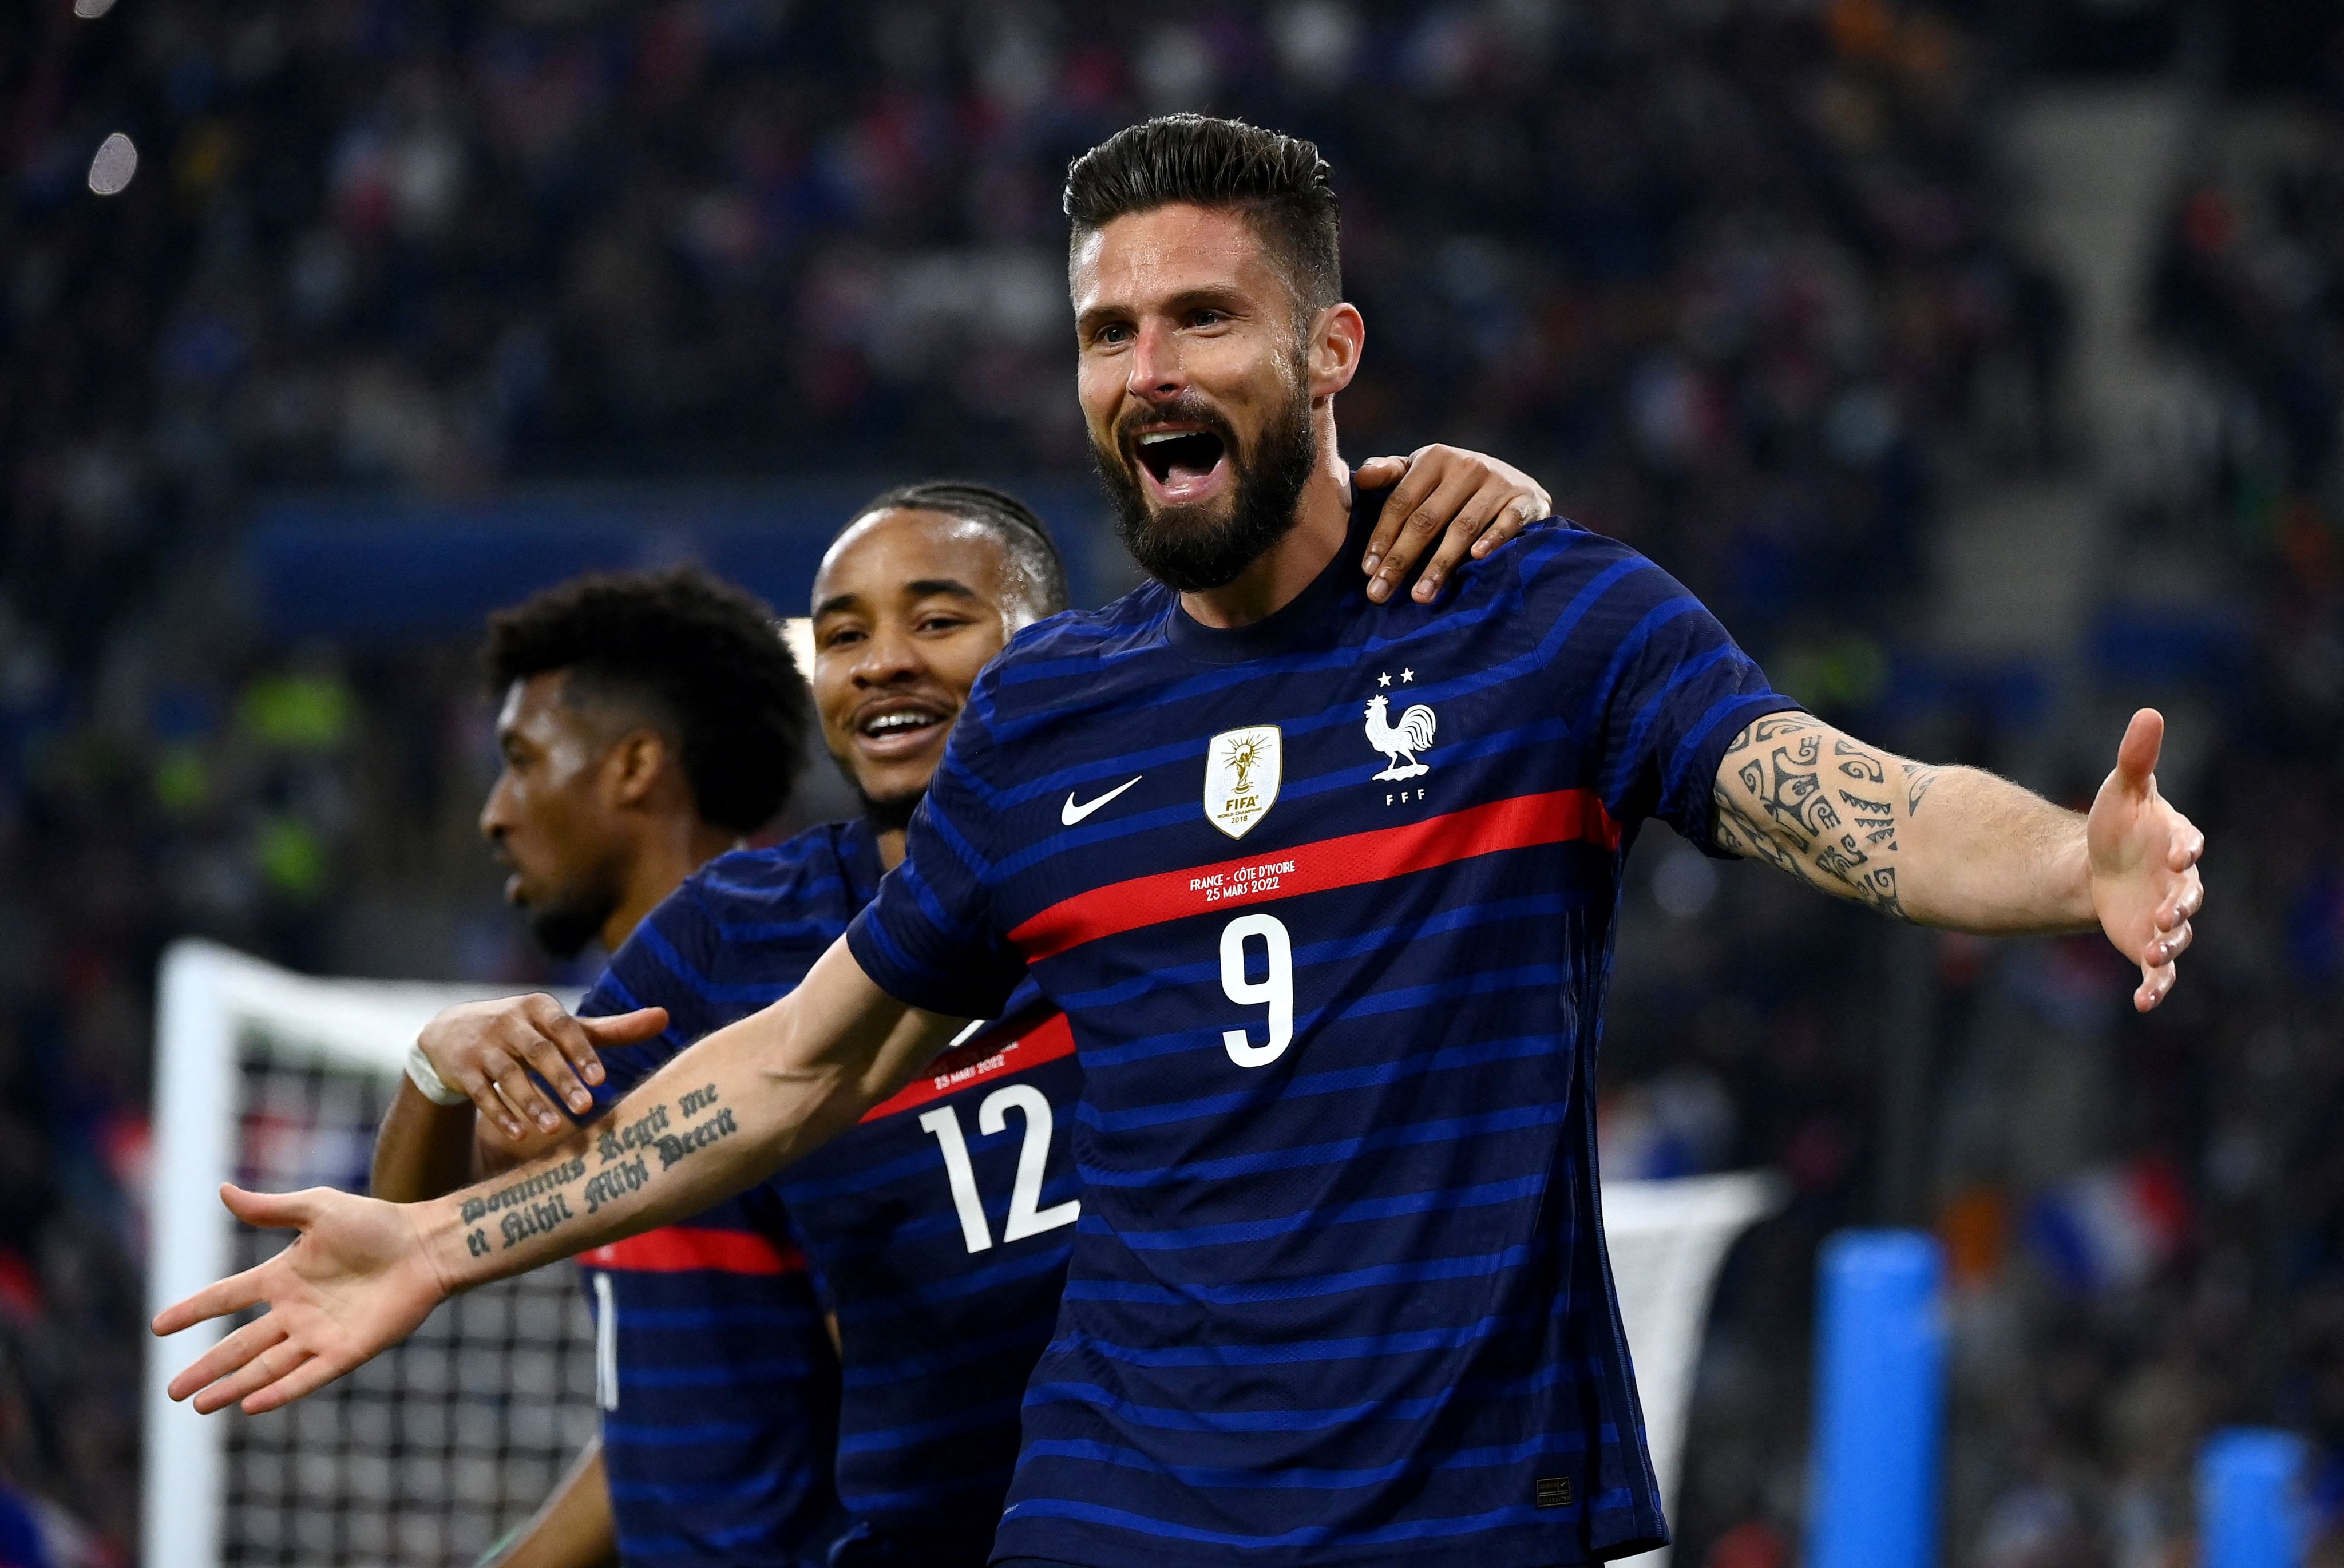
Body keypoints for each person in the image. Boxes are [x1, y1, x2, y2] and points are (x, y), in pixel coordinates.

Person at [160, 116, 2206, 1568]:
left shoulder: (1538, 619)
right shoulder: (1047, 716)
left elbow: (1831, 795)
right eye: (1105, 330)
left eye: (1203, 318)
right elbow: (799, 1064)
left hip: (1468, 1514)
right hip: (1118, 1510)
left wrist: (2069, 864)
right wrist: (436, 1239)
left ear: (1329, 353)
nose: (1146, 368)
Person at [383, 465, 1555, 1567]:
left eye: (938, 619)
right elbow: (442, 1214)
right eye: (843, 635)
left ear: (1051, 648)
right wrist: (440, 1073)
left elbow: (1373, 681)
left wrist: (1490, 501)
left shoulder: (1182, 847)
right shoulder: (734, 937)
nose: (883, 662)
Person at [369, 567, 844, 1568]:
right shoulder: (618, 1043)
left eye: (521, 760)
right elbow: (408, 1242)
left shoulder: (792, 1013)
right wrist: (435, 1067)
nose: (495, 813)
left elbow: (886, 1370)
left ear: (633, 767)